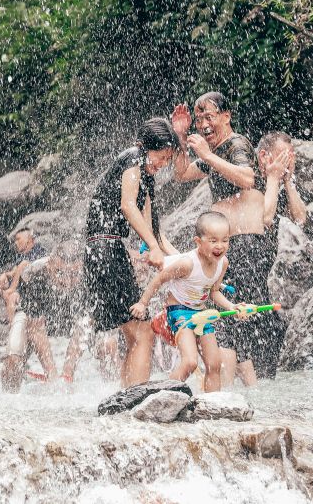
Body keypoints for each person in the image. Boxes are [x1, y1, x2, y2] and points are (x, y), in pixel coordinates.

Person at [172, 92, 280, 383]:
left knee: (235, 313)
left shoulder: (236, 143)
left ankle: (253, 380)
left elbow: (246, 178)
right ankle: (249, 383)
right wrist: (182, 138)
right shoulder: (217, 151)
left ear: (226, 116)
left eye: (209, 116)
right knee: (233, 313)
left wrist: (206, 154)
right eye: (198, 119)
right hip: (232, 244)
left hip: (247, 242)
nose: (203, 123)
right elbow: (181, 174)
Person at [84, 117, 180, 388]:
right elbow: (128, 206)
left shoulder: (145, 175)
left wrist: (184, 260)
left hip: (106, 252)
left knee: (135, 335)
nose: (162, 164)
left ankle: (126, 396)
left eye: (167, 159)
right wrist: (150, 247)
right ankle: (135, 397)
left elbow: (154, 230)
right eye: (161, 157)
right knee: (143, 333)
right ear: (145, 146)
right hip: (105, 251)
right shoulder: (133, 159)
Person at [131, 212, 252, 392]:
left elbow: (214, 292)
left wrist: (232, 307)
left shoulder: (222, 263)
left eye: (225, 240)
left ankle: (213, 404)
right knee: (190, 362)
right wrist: (142, 303)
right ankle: (163, 395)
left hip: (202, 314)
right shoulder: (187, 264)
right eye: (213, 241)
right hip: (179, 311)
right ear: (198, 241)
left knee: (214, 364)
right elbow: (158, 280)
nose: (220, 246)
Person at [1, 241, 84, 392]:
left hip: (64, 315)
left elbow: (84, 326)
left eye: (73, 274)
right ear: (50, 264)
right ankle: (8, 397)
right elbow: (36, 328)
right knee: (14, 358)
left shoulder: (88, 275)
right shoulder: (36, 273)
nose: (66, 281)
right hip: (30, 315)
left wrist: (67, 373)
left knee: (105, 345)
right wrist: (51, 375)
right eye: (59, 273)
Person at [0, 228, 48, 321]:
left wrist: (12, 288)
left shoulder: (38, 250)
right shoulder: (22, 254)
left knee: (12, 296)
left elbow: (25, 265)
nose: (15, 242)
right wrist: (5, 275)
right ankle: (11, 315)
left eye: (18, 239)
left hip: (34, 290)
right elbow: (15, 271)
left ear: (29, 240)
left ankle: (12, 324)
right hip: (23, 286)